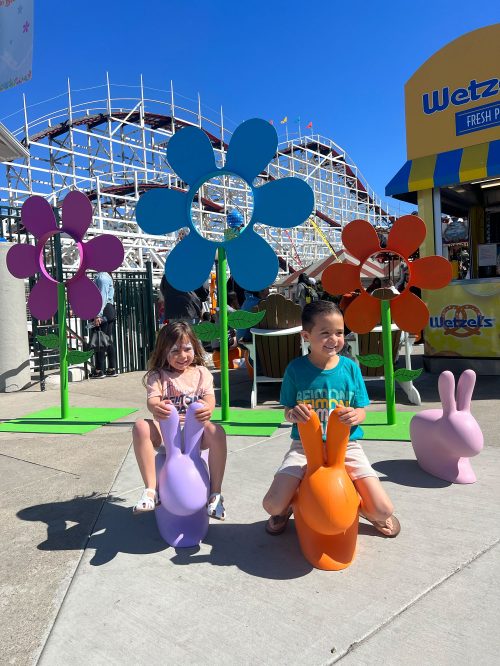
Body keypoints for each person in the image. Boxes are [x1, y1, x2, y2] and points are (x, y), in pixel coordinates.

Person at [262, 300, 400, 538]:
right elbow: (287, 409)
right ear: (307, 335)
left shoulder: (350, 368)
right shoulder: (295, 370)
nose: (334, 339)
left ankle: (361, 508)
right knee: (272, 504)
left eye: (339, 332)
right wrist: (292, 414)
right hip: (304, 447)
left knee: (383, 509)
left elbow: (362, 409)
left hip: (347, 446)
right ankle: (291, 506)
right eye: (325, 333)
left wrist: (356, 415)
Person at [132, 320, 227, 519]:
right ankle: (151, 490)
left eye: (187, 349)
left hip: (195, 435)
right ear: (163, 351)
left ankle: (215, 494)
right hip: (167, 434)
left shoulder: (201, 373)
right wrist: (156, 407)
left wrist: (208, 408)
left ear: (195, 347)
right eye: (174, 351)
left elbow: (210, 398)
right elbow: (153, 400)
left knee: (217, 432)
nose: (182, 356)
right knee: (141, 427)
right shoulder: (158, 376)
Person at [89, 271, 117, 379]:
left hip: (103, 311)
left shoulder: (102, 277)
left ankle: (99, 370)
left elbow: (102, 297)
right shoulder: (106, 276)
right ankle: (111, 368)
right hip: (109, 310)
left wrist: (97, 315)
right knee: (107, 340)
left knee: (100, 340)